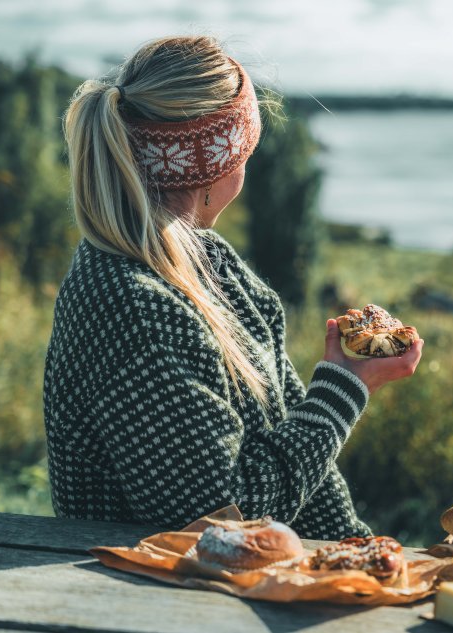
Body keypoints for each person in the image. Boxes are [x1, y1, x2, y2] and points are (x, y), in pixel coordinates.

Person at [43, 35, 423, 538]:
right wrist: (345, 389)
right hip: (154, 601)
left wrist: (356, 548)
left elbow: (289, 440)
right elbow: (218, 518)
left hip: (234, 583)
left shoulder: (212, 267)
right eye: (245, 152)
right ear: (213, 169)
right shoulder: (130, 304)